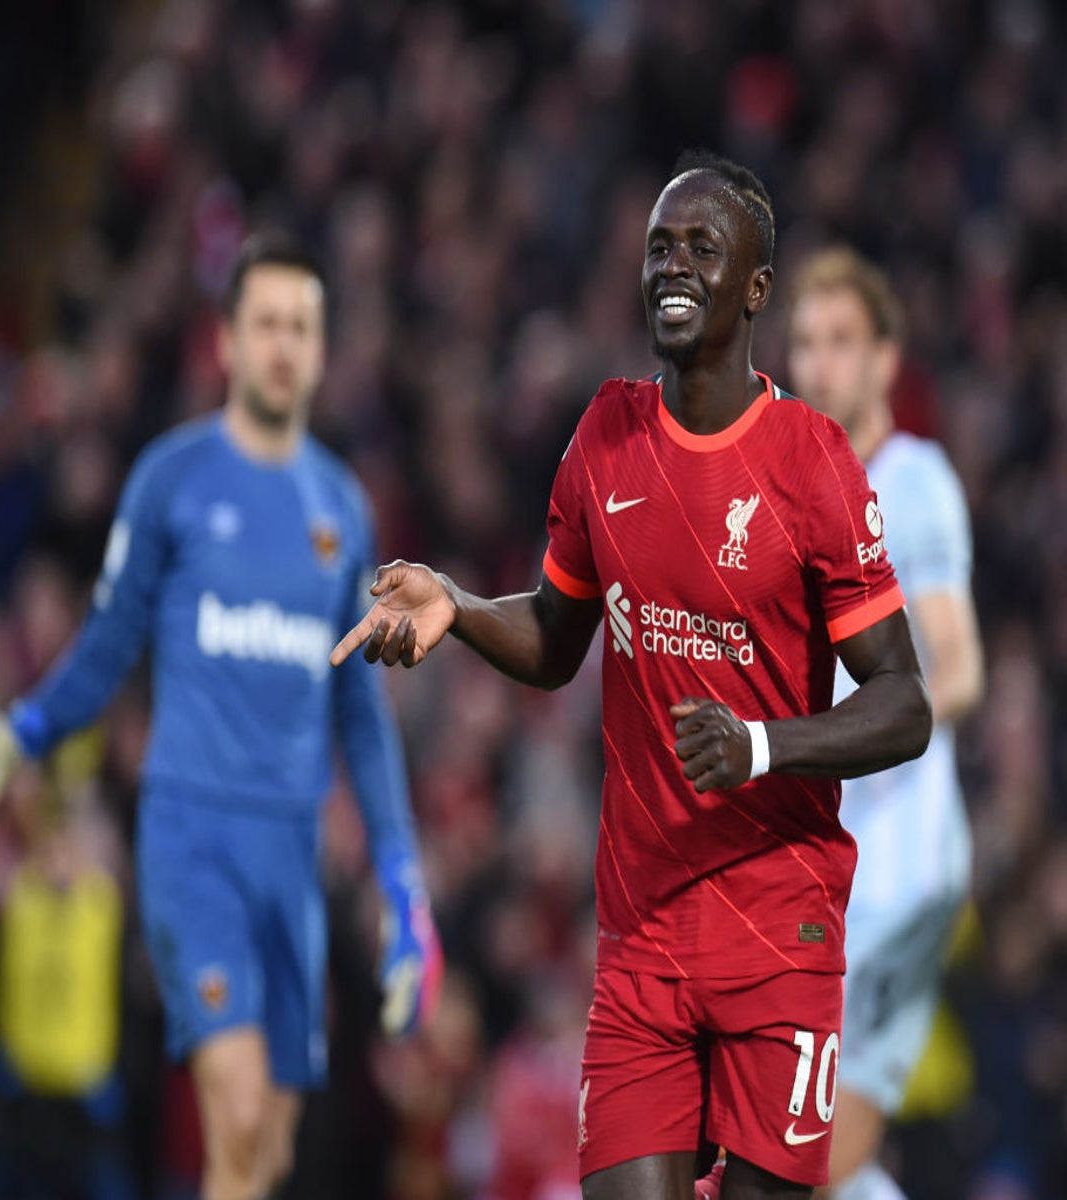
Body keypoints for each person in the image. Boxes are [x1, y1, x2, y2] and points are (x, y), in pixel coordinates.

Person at [329, 149, 933, 1200]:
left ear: (756, 288)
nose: (673, 264)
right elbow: (561, 640)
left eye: (703, 246)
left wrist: (758, 747)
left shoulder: (812, 462)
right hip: (641, 940)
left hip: (778, 931)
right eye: (660, 245)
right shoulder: (604, 436)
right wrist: (461, 608)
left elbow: (904, 704)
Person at [0, 233, 443, 1200]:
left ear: (323, 346)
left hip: (289, 848)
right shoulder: (171, 481)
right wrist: (26, 733)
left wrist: (403, 881)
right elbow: (107, 641)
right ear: (225, 342)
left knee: (269, 1149)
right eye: (265, 324)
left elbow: (361, 708)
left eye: (302, 326)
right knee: (240, 1110)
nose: (284, 345)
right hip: (191, 833)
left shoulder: (342, 507)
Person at [787, 246, 984, 1200]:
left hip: (899, 876)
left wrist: (853, 732)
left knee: (808, 1154)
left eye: (842, 342)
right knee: (804, 1161)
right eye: (806, 343)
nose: (820, 364)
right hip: (838, 869)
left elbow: (960, 669)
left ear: (884, 360)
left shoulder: (914, 481)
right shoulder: (792, 499)